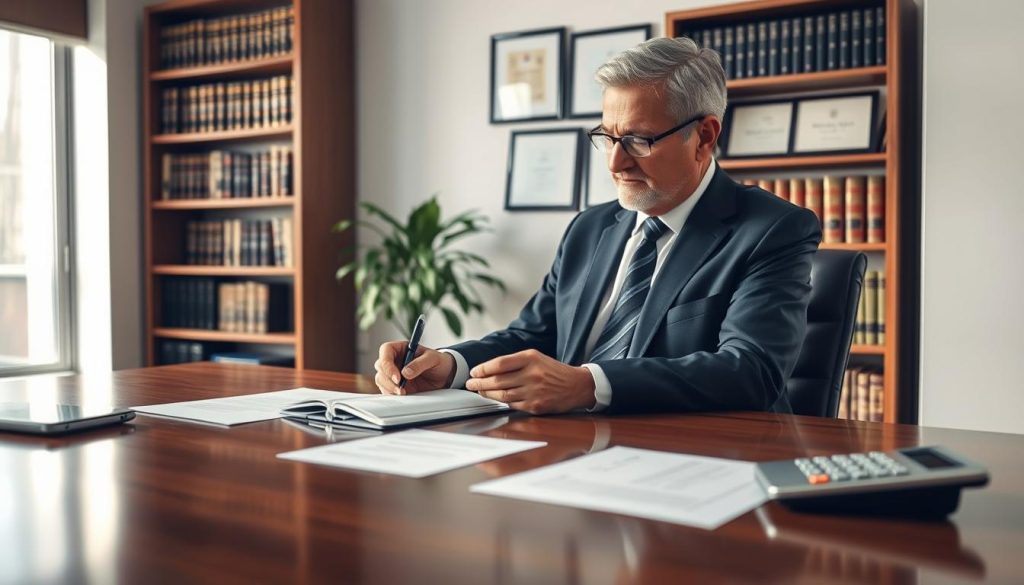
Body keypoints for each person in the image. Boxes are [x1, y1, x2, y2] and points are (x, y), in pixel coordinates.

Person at [374, 37, 821, 415]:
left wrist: (588, 384)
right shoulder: (590, 227)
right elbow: (534, 335)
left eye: (638, 140)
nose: (615, 161)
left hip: (698, 459)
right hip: (570, 451)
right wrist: (450, 365)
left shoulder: (774, 229)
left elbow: (751, 370)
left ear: (703, 136)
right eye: (607, 136)